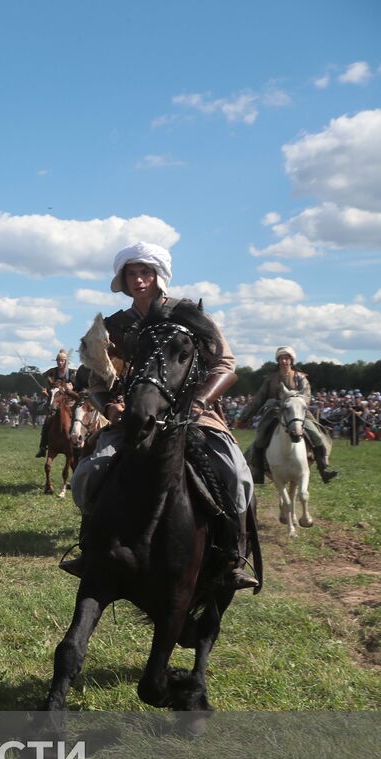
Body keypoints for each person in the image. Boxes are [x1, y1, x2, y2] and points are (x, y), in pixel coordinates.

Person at [63, 242, 257, 590]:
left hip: (191, 416)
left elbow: (225, 365)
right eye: (132, 273)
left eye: (145, 272)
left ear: (158, 276)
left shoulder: (188, 315)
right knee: (89, 475)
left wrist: (199, 402)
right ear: (122, 279)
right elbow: (95, 381)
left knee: (235, 474)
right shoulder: (110, 327)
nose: (139, 280)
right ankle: (91, 548)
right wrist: (109, 407)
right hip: (132, 419)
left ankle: (232, 557)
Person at [236, 346, 338, 484]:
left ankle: (324, 469)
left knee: (316, 435)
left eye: (287, 358)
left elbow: (307, 395)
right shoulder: (271, 379)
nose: (284, 361)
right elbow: (258, 399)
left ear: (291, 360)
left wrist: (296, 401)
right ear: (278, 360)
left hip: (298, 412)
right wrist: (244, 417)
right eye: (281, 358)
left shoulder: (300, 377)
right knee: (259, 439)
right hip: (275, 412)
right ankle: (258, 472)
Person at [34, 349, 75, 458]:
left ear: (65, 362)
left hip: (69, 402)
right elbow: (48, 386)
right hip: (55, 402)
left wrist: (71, 388)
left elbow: (77, 387)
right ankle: (43, 447)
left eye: (62, 361)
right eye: (58, 361)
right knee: (47, 422)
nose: (59, 363)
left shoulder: (71, 373)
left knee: (78, 420)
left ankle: (78, 445)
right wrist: (45, 391)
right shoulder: (52, 372)